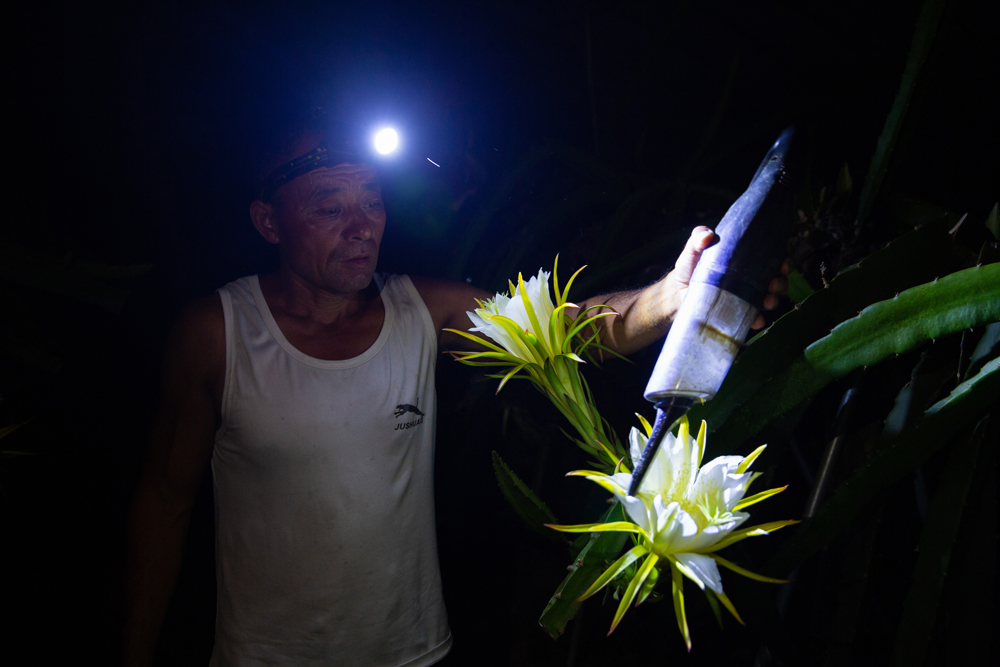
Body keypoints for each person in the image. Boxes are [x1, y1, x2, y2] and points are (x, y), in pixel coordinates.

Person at [123, 124, 786, 666]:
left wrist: (674, 294)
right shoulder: (216, 333)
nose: (362, 226)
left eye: (372, 201)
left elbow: (569, 324)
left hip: (413, 653)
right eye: (329, 207)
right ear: (268, 222)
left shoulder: (424, 311)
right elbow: (164, 500)